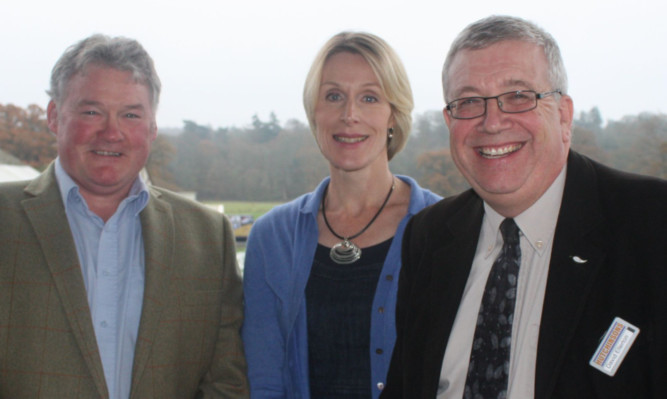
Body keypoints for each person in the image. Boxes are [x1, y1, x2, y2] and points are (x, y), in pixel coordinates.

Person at [381, 15, 667, 399]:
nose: (492, 122)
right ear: (450, 121)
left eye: (518, 96)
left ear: (563, 115)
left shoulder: (652, 223)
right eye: (469, 102)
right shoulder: (429, 235)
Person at [0, 34, 248, 398]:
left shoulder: (207, 237)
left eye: (131, 114)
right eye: (91, 112)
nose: (112, 132)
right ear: (54, 116)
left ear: (152, 128)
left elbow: (226, 382)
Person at [242, 32, 441, 399]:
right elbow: (265, 379)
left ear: (393, 114)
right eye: (333, 96)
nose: (350, 115)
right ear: (314, 113)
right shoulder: (272, 236)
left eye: (369, 97)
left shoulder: (444, 228)